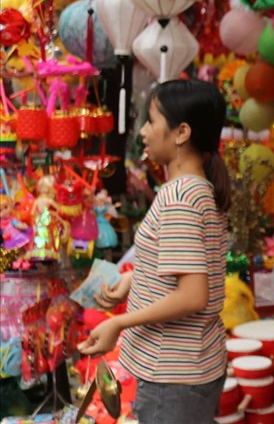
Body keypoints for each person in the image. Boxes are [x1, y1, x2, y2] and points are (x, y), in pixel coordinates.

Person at [79, 79, 230, 424]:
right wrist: (135, 282)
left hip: (172, 377)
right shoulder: (194, 190)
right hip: (189, 367)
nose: (144, 131)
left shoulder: (180, 198)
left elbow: (193, 295)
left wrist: (119, 322)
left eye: (151, 120)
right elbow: (191, 268)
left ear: (181, 133)